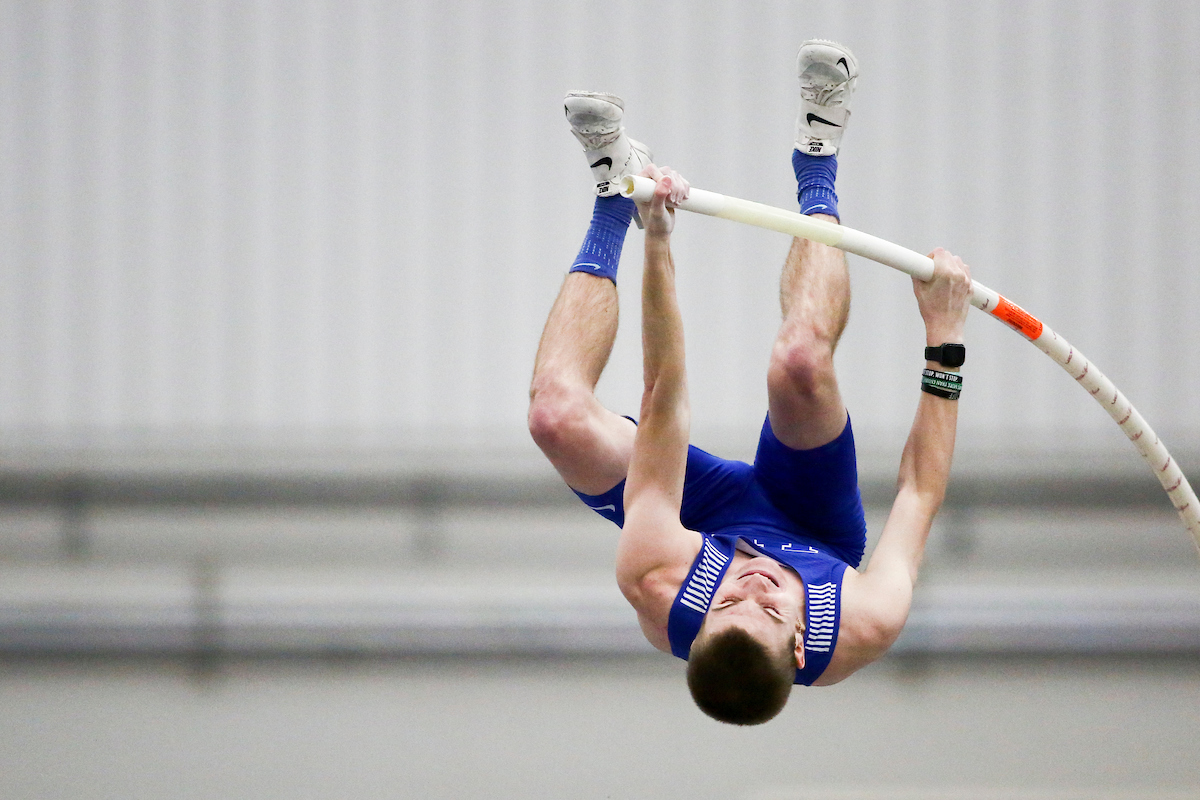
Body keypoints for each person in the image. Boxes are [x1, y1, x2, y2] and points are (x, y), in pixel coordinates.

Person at [528, 40, 973, 725]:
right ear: (800, 646)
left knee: (554, 417)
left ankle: (615, 191)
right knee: (798, 364)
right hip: (813, 521)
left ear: (700, 624)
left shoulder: (658, 579)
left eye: (727, 603)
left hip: (699, 523)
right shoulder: (864, 620)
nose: (752, 585)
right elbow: (919, 491)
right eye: (769, 609)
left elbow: (664, 403)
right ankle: (818, 160)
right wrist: (944, 337)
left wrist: (656, 239)